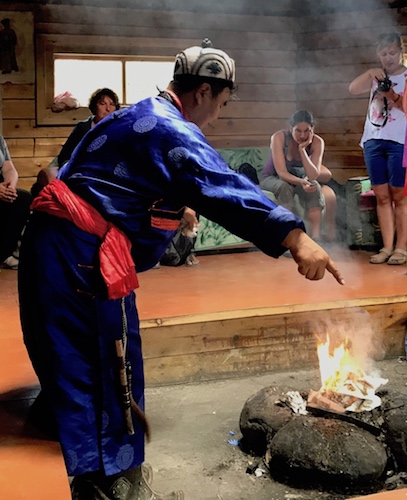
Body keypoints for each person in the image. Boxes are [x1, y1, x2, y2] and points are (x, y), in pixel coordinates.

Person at [18, 39, 345, 500]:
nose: (216, 117)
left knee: (71, 353)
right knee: (107, 360)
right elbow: (222, 184)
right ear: (204, 91)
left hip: (53, 245)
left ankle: (66, 422)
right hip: (81, 257)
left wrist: (176, 206)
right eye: (222, 104)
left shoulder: (133, 114)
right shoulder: (171, 129)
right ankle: (107, 485)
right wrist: (296, 237)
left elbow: (116, 182)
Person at [348, 32, 407, 265]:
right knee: (381, 197)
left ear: (401, 51)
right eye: (383, 54)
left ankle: (402, 248)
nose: (388, 58)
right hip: (373, 140)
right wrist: (369, 73)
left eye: (392, 53)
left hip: (399, 141)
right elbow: (353, 89)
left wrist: (391, 94)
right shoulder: (376, 76)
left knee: (400, 197)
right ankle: (386, 247)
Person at [260, 110, 337, 242]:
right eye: (298, 130)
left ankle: (315, 238)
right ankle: (288, 237)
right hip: (272, 177)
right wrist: (301, 182)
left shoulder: (317, 142)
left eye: (306, 130)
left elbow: (313, 174)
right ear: (291, 129)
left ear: (312, 130)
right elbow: (281, 173)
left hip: (298, 177)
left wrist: (303, 150)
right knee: (284, 187)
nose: (302, 135)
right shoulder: (279, 137)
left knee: (314, 186)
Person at [31, 88, 121, 198]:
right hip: (76, 170)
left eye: (112, 105)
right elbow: (65, 157)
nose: (108, 109)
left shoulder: (118, 130)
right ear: (94, 107)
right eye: (103, 104)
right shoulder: (83, 128)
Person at [0, 134, 32, 269]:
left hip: (2, 186)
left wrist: (11, 187)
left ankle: (4, 254)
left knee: (22, 198)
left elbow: (8, 168)